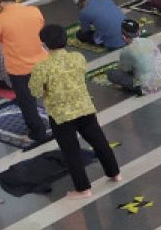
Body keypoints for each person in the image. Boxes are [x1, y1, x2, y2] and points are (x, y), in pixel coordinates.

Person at [29, 24, 121, 197]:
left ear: (45, 45)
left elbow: (35, 92)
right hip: (84, 108)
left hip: (61, 116)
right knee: (100, 142)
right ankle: (115, 173)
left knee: (71, 152)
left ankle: (83, 189)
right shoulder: (78, 57)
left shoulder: (42, 67)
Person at [0, 0, 48, 144]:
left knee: (27, 102)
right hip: (42, 62)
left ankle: (38, 133)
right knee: (52, 94)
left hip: (19, 69)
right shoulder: (34, 10)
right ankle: (65, 122)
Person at [108, 19, 161, 95]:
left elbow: (124, 70)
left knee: (112, 74)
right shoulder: (149, 41)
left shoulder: (126, 51)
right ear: (138, 32)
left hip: (148, 87)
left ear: (123, 37)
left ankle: (134, 89)